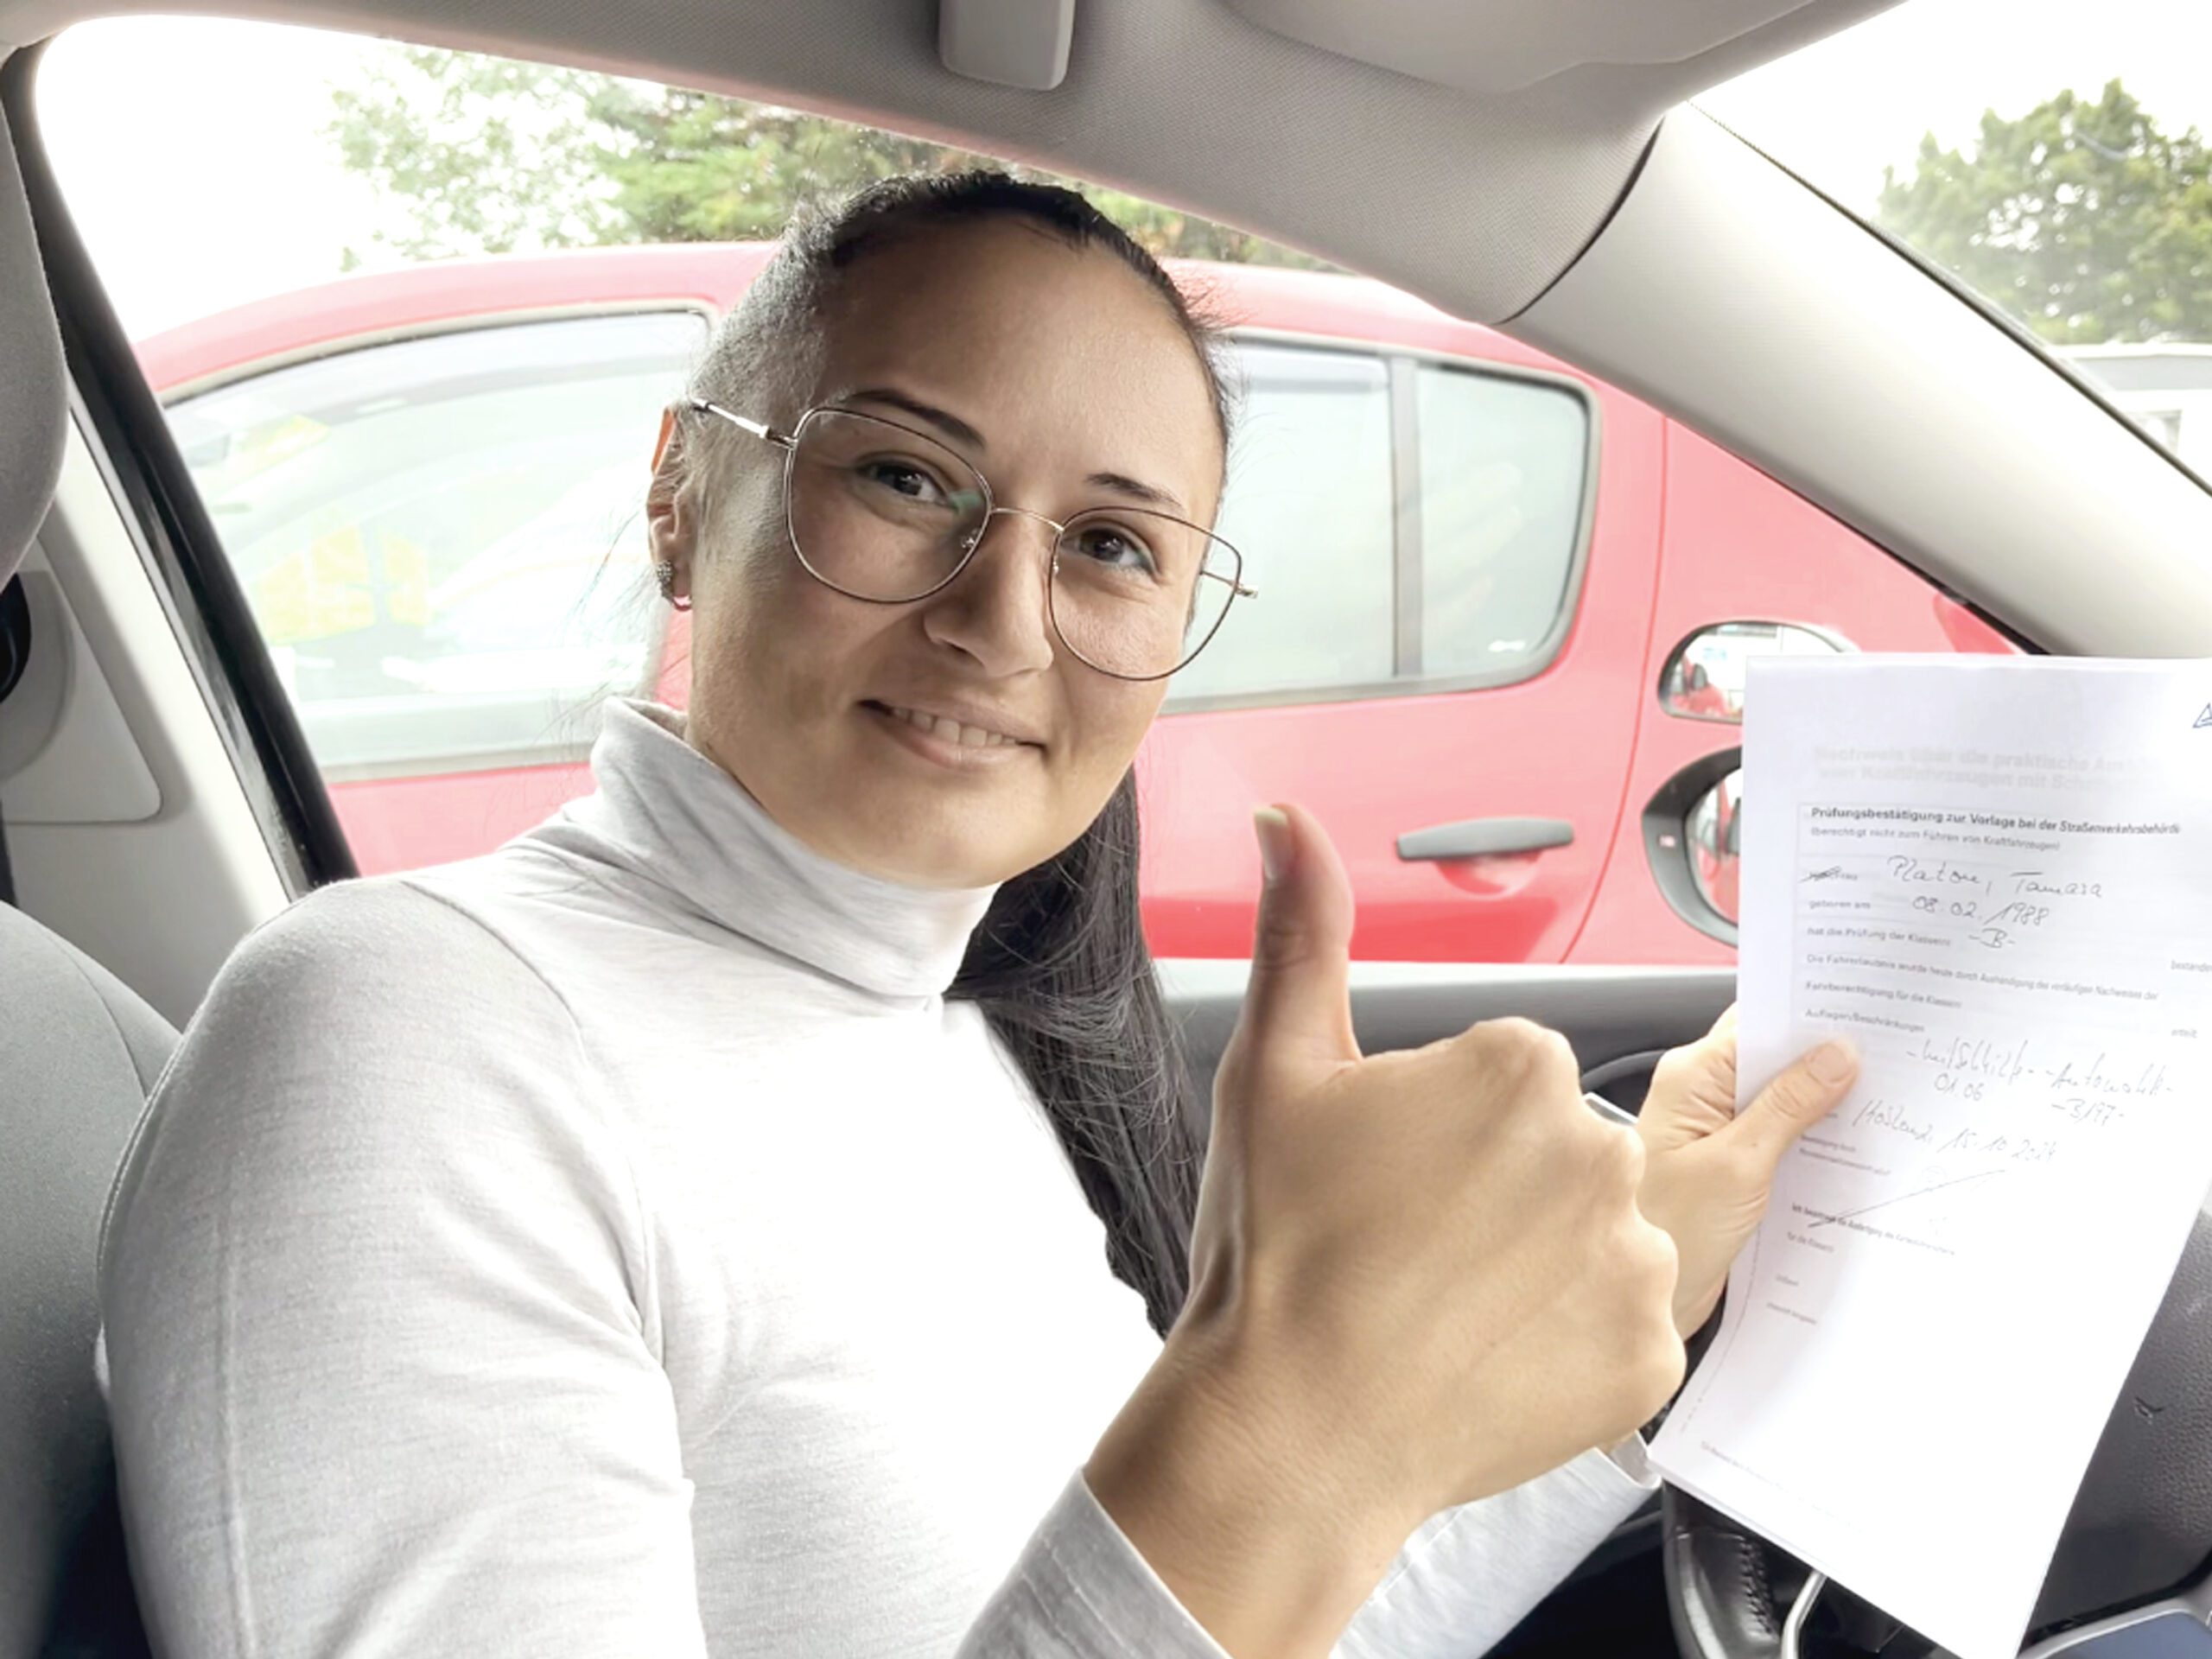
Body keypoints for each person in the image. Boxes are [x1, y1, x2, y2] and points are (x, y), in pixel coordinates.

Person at [99, 174, 1859, 1659]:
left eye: (1111, 546)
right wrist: (1280, 1415)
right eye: (903, 477)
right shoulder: (404, 1037)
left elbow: (1246, 1614)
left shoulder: (948, 1036)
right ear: (677, 496)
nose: (1001, 619)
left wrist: (1635, 1308)